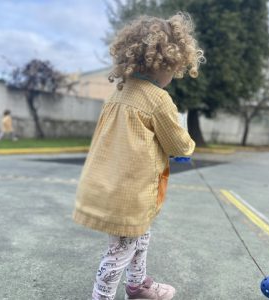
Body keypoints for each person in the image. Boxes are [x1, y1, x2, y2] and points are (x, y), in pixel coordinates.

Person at [72, 12, 205, 300]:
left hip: (108, 185)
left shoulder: (118, 93)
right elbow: (178, 144)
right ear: (163, 65)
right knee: (120, 250)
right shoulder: (158, 99)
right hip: (128, 194)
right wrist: (188, 148)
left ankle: (138, 286)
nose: (174, 75)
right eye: (174, 69)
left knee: (140, 237)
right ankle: (102, 296)